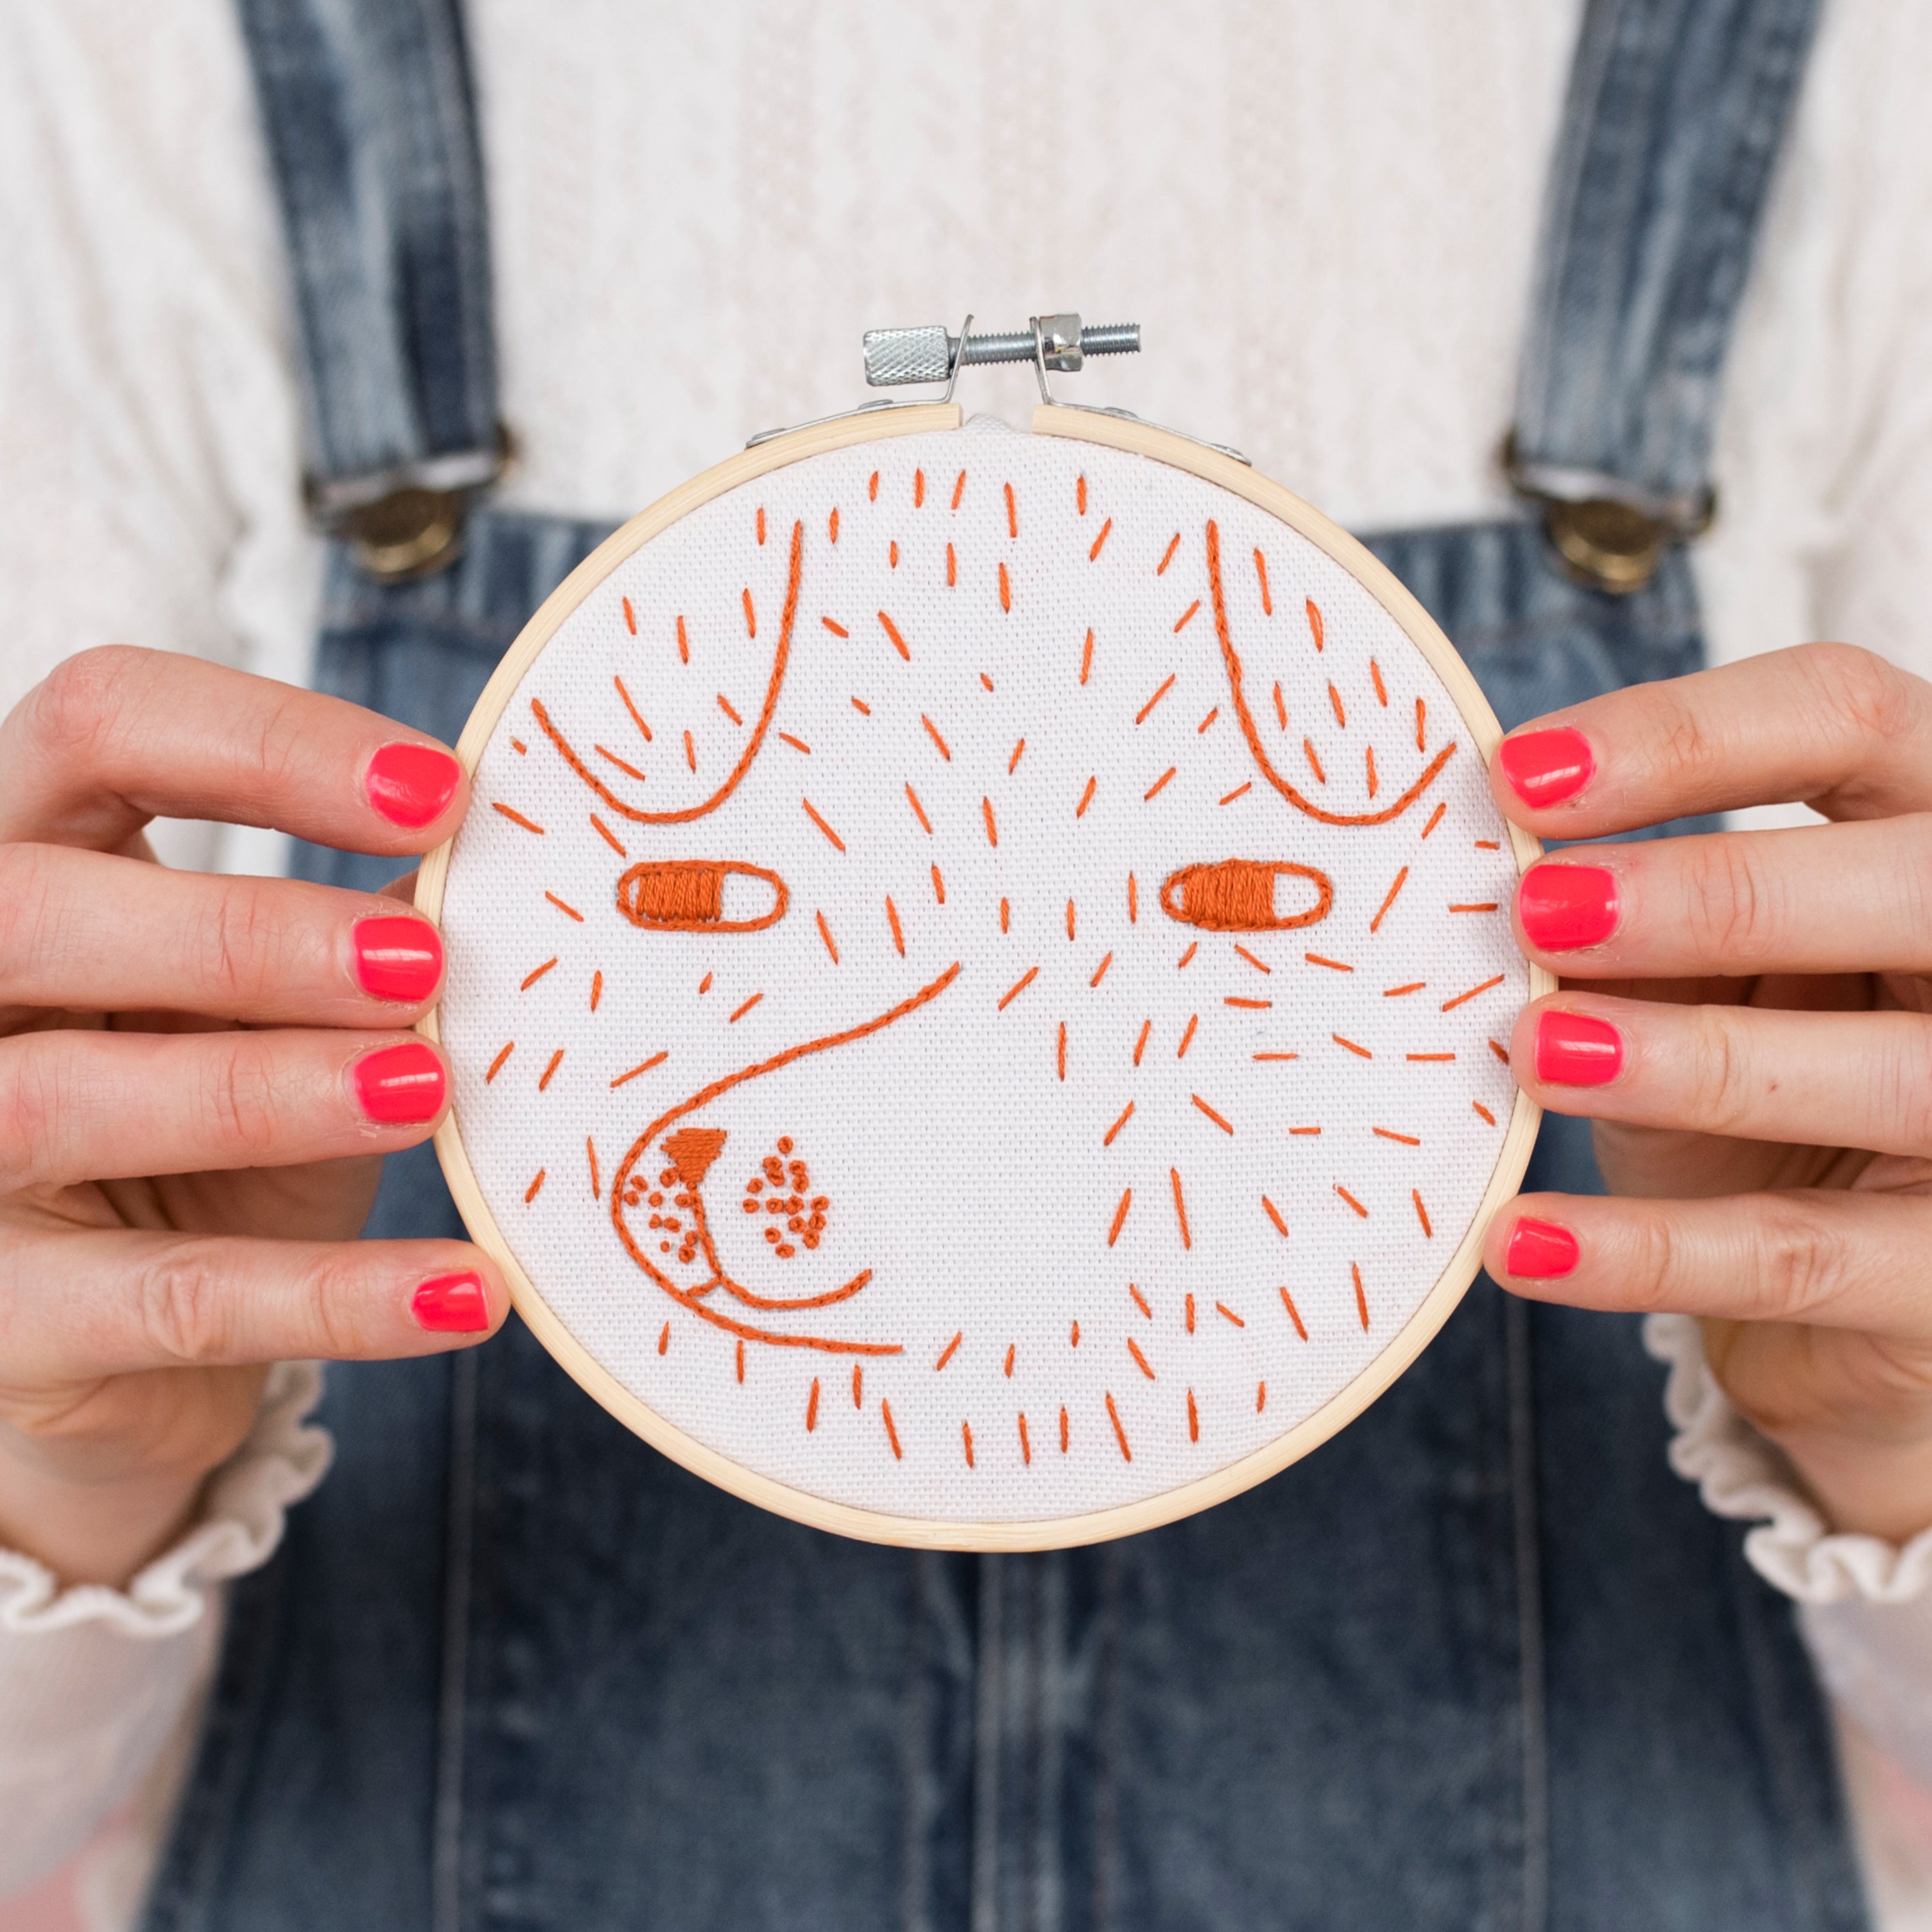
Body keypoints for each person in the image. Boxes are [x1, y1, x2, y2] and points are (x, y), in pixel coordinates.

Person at [3, 0, 1931, 1925]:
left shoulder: (1849, 68)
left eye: (1239, 902)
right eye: (713, 898)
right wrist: (68, 1462)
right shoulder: (141, 59)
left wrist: (1892, 1431)